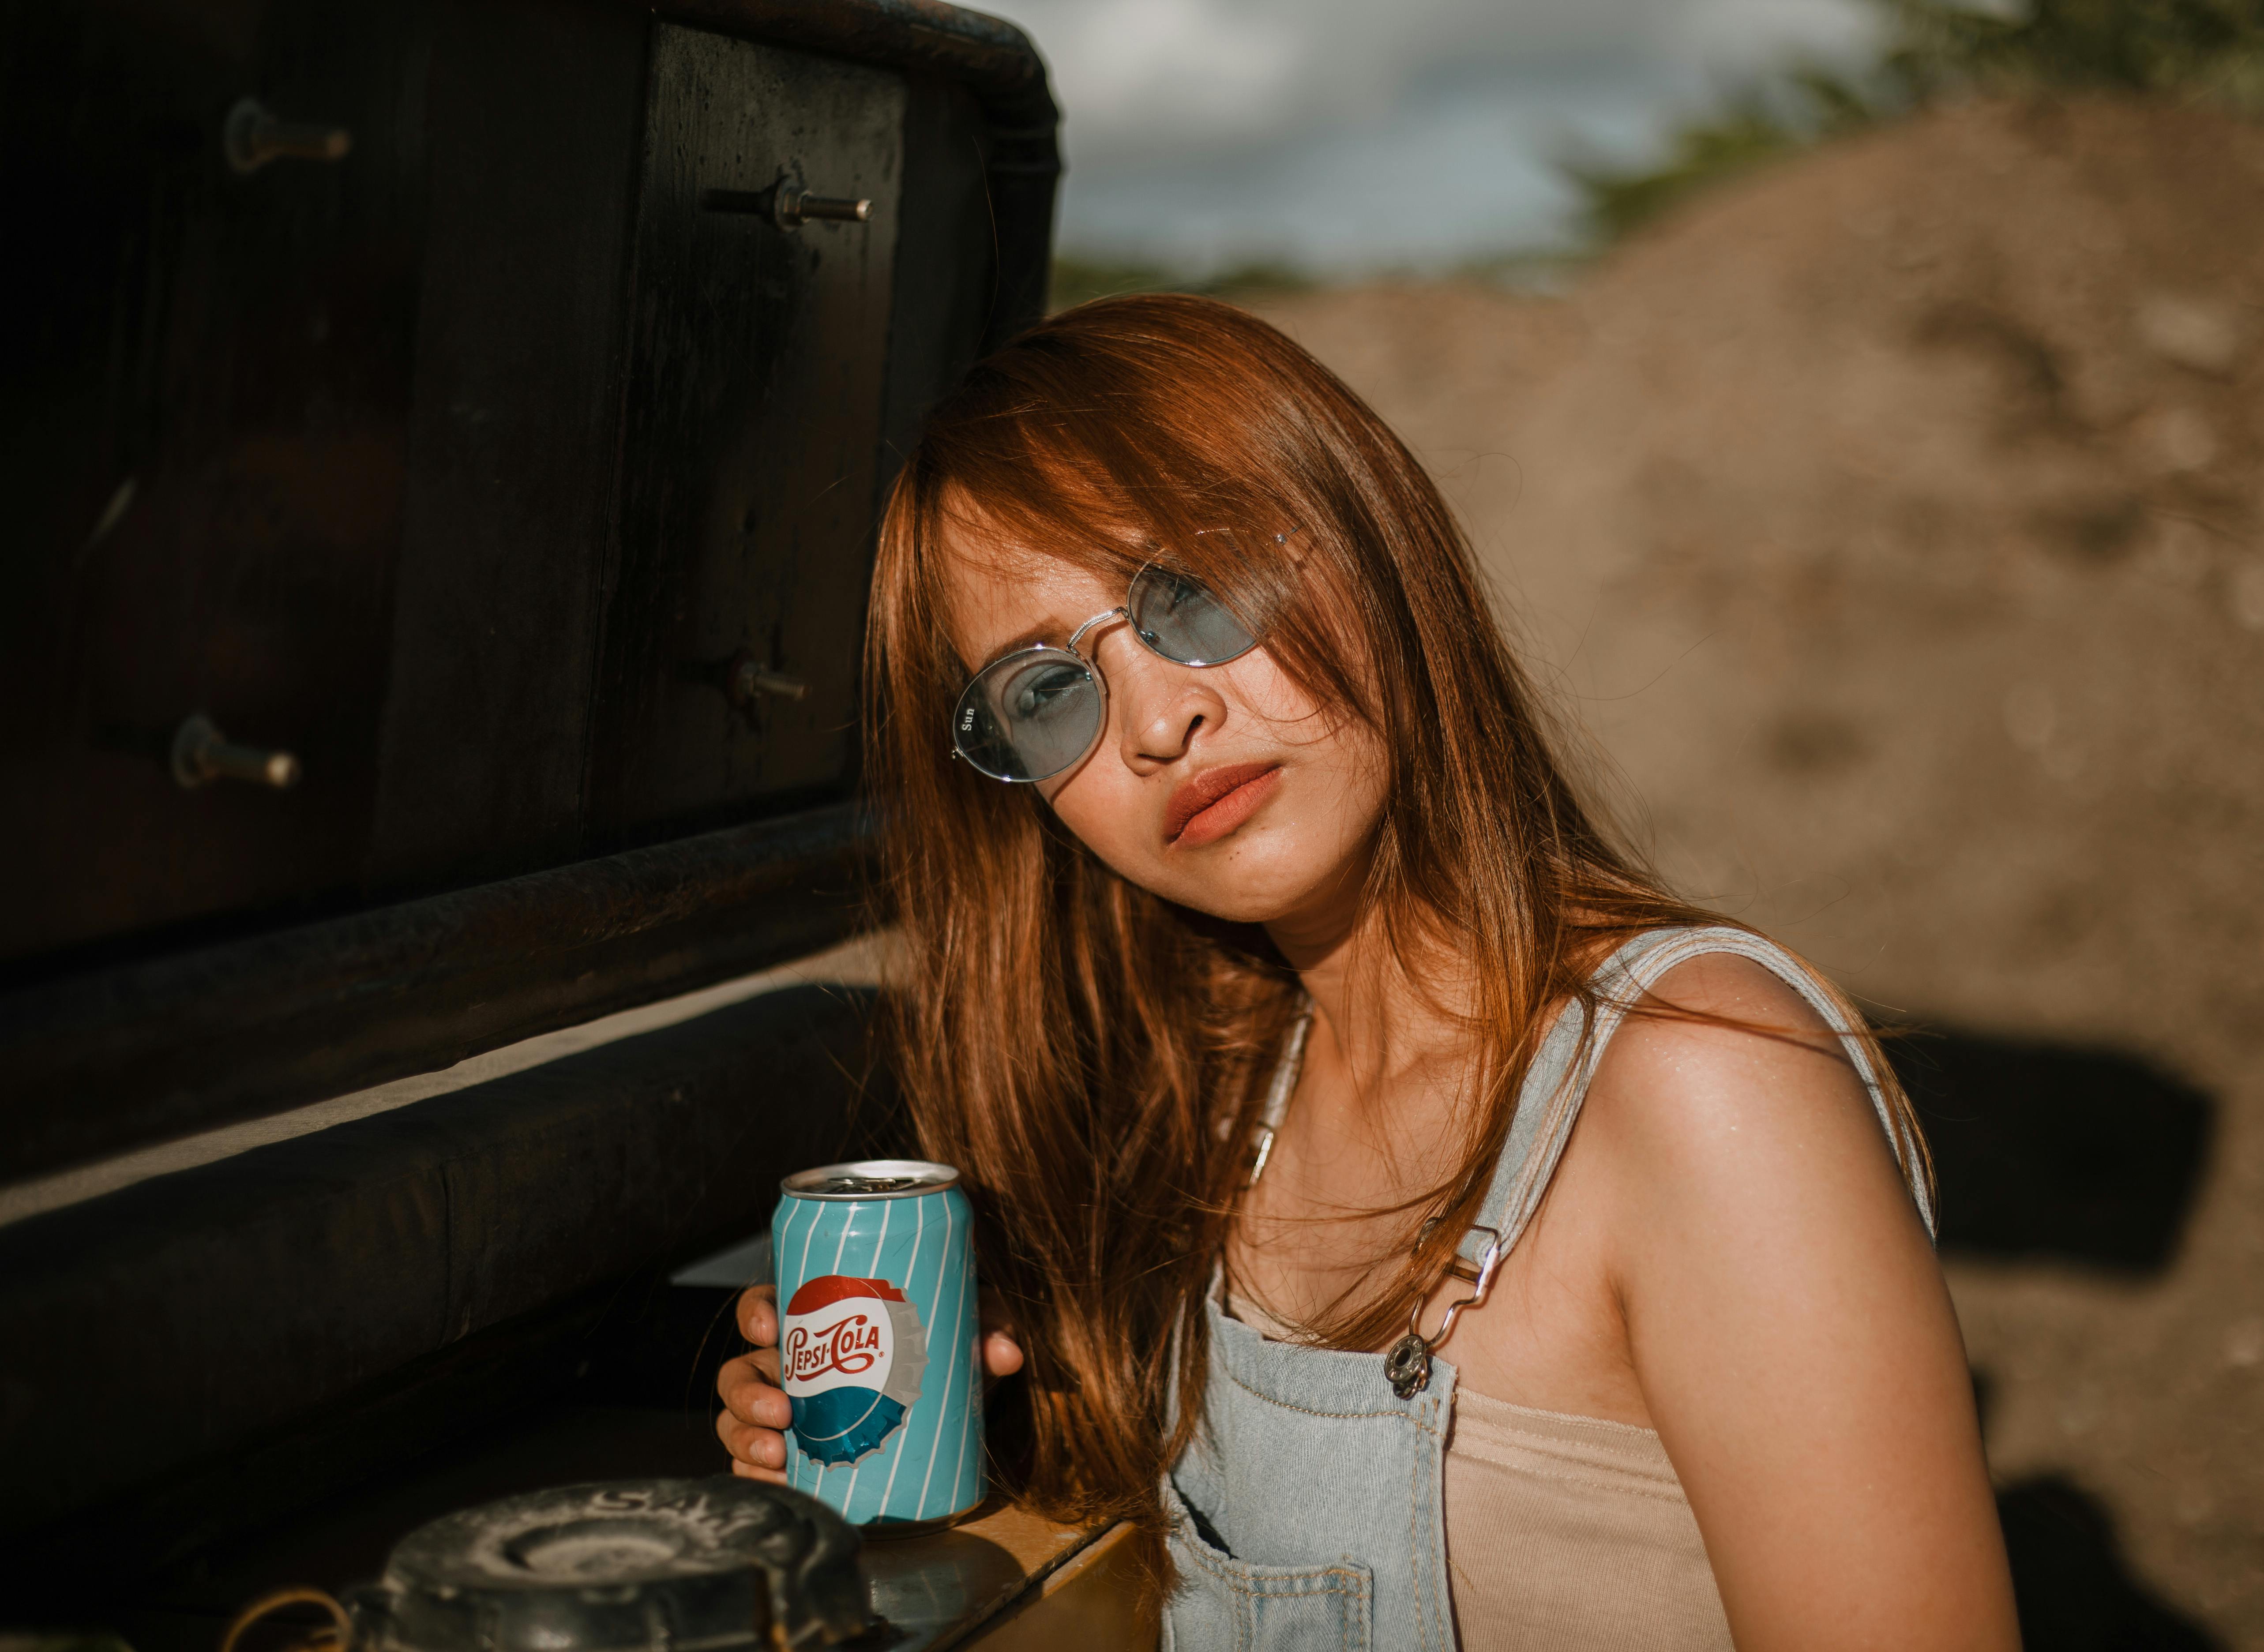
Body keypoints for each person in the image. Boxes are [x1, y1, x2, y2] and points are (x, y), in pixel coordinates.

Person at [715, 294, 2019, 1650]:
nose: (1161, 719)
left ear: (1365, 532)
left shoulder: (1704, 1080)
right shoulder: (1226, 1105)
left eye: (1197, 594)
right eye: (1046, 692)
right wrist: (954, 1415)